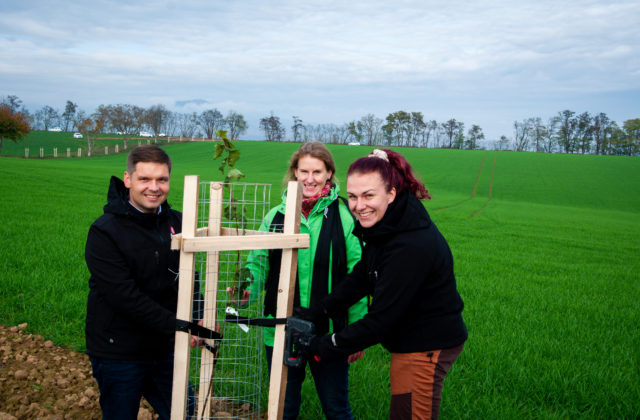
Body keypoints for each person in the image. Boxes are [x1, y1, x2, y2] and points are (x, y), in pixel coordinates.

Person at [310, 148, 468, 420]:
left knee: (410, 415)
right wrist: (321, 310)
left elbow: (381, 321)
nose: (359, 206)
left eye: (369, 195)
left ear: (391, 194)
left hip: (425, 345)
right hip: (409, 339)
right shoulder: (390, 224)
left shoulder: (409, 245)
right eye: (354, 197)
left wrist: (324, 346)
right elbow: (363, 274)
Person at [243, 141, 367, 419]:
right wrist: (246, 289)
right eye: (304, 171)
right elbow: (259, 261)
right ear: (294, 173)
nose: (310, 179)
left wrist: (357, 332)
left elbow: (357, 273)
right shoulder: (276, 215)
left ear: (329, 174)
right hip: (280, 331)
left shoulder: (345, 216)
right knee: (283, 408)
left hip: (330, 332)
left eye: (317, 172)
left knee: (336, 408)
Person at [85, 144, 196, 420]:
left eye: (162, 179)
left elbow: (190, 277)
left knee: (185, 411)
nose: (154, 187)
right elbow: (125, 297)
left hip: (164, 348)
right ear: (128, 179)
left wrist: (199, 314)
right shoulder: (104, 231)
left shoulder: (180, 224)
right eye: (145, 179)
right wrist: (182, 326)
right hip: (119, 350)